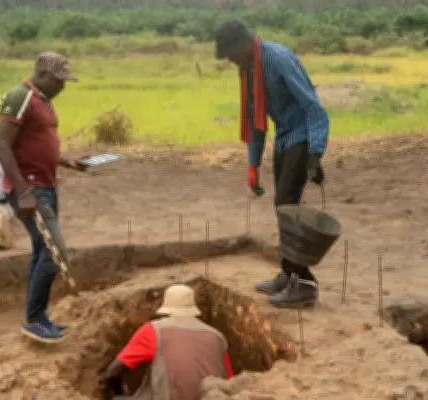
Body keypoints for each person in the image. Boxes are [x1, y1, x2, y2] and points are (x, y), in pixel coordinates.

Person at [213, 19, 329, 308]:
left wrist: (315, 152)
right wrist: (253, 166)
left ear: (242, 46)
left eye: (230, 53)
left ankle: (304, 283)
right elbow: (256, 120)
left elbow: (312, 106)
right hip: (284, 137)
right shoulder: (249, 68)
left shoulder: (278, 59)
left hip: (301, 135)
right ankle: (288, 274)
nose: (229, 60)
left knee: (287, 205)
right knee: (282, 207)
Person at [0, 51, 88, 344]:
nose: (63, 86)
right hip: (31, 189)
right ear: (44, 75)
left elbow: (38, 143)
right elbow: (2, 146)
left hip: (46, 186)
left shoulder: (44, 101)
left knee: (42, 250)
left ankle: (38, 316)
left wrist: (67, 162)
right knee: (54, 252)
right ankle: (33, 320)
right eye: (60, 80)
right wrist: (22, 191)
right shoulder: (20, 96)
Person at [99, 284, 233, 399]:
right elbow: (230, 381)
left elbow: (114, 370)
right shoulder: (218, 337)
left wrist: (115, 390)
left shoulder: (153, 330)